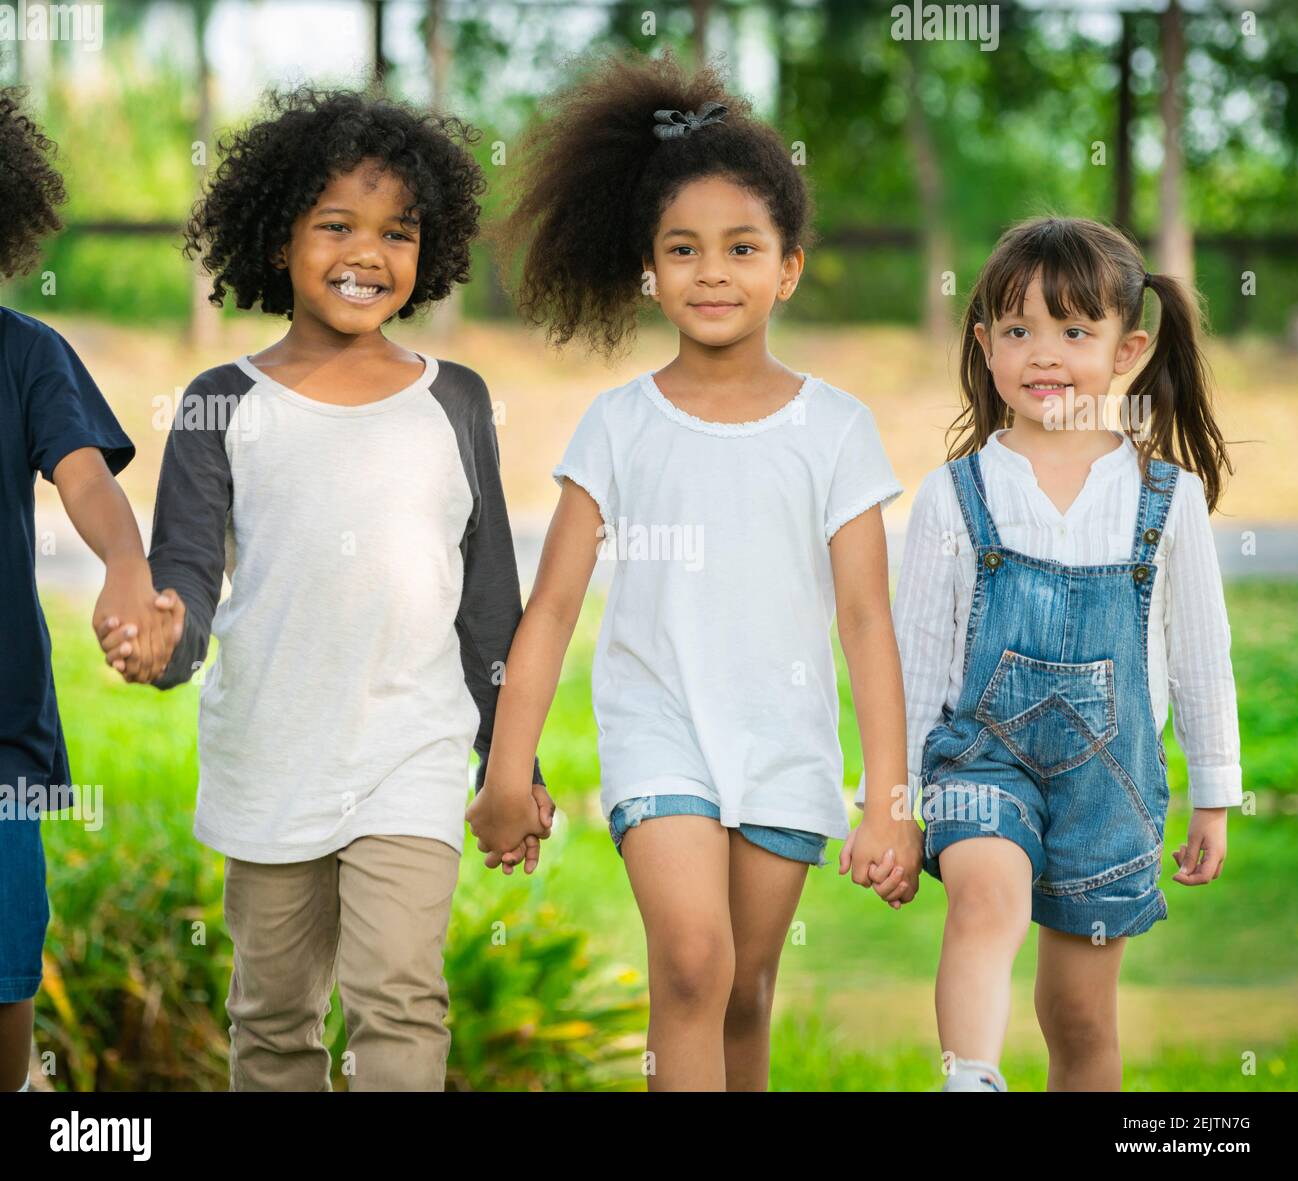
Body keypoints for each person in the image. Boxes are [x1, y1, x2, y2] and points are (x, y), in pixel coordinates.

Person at [468, 51, 920, 1092]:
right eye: (683, 249)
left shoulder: (835, 428)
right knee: (691, 963)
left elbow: (865, 621)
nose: (711, 272)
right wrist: (506, 765)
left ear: (788, 268)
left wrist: (887, 796)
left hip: (782, 744)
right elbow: (550, 611)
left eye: (741, 248)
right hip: (658, 729)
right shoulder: (618, 424)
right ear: (646, 267)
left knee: (745, 990)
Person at [99, 88, 548, 1091]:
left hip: (411, 750)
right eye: (335, 225)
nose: (368, 252)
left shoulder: (456, 398)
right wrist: (162, 639)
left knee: (397, 997)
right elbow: (185, 578)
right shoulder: (222, 403)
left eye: (398, 231)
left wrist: (508, 758)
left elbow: (488, 599)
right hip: (273, 753)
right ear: (276, 239)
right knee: (272, 1017)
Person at [887, 215, 1240, 1091]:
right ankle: (969, 1075)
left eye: (1074, 331)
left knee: (1078, 1018)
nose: (1044, 354)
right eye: (1018, 330)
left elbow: (1201, 655)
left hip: (1110, 782)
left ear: (1128, 350)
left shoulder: (1168, 498)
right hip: (981, 760)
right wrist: (892, 800)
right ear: (985, 344)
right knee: (984, 899)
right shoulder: (956, 494)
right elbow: (917, 661)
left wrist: (1215, 794)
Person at [0, 87, 181, 1094]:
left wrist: (124, 563)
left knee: (3, 972)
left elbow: (83, 473)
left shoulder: (28, 354)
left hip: (0, 726)